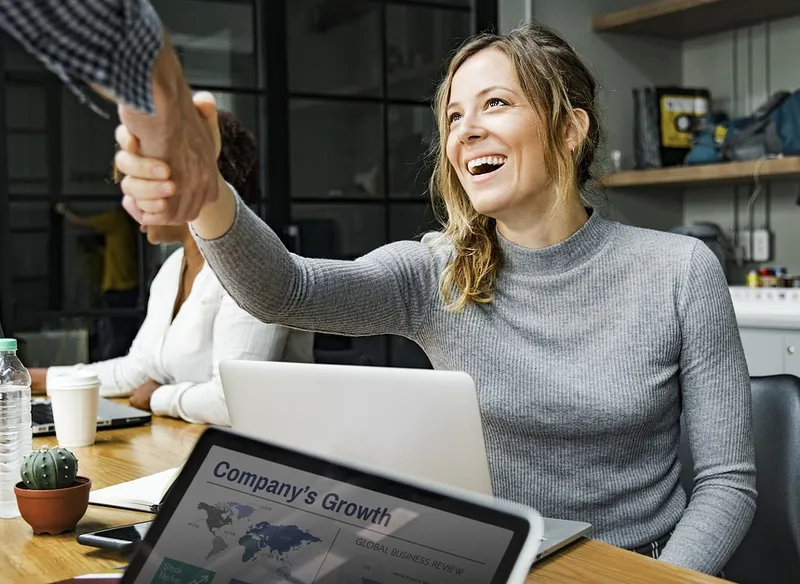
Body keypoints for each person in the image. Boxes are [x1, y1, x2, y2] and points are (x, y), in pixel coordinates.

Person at [0, 4, 755, 576]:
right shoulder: (435, 270)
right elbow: (286, 290)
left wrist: (663, 578)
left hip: (628, 565)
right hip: (483, 563)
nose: (465, 133)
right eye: (454, 116)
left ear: (570, 131)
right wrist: (207, 189)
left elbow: (726, 484)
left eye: (495, 104)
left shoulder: (678, 271)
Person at [28, 110, 316, 426]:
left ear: (192, 183)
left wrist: (158, 397)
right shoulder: (172, 269)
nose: (131, 203)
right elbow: (135, 370)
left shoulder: (254, 266)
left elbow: (230, 401)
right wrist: (34, 380)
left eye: (142, 185)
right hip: (190, 442)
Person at [54, 203, 140, 358]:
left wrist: (63, 209)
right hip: (128, 287)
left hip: (118, 288)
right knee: (121, 333)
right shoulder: (128, 226)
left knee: (117, 338)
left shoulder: (115, 220)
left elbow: (79, 222)